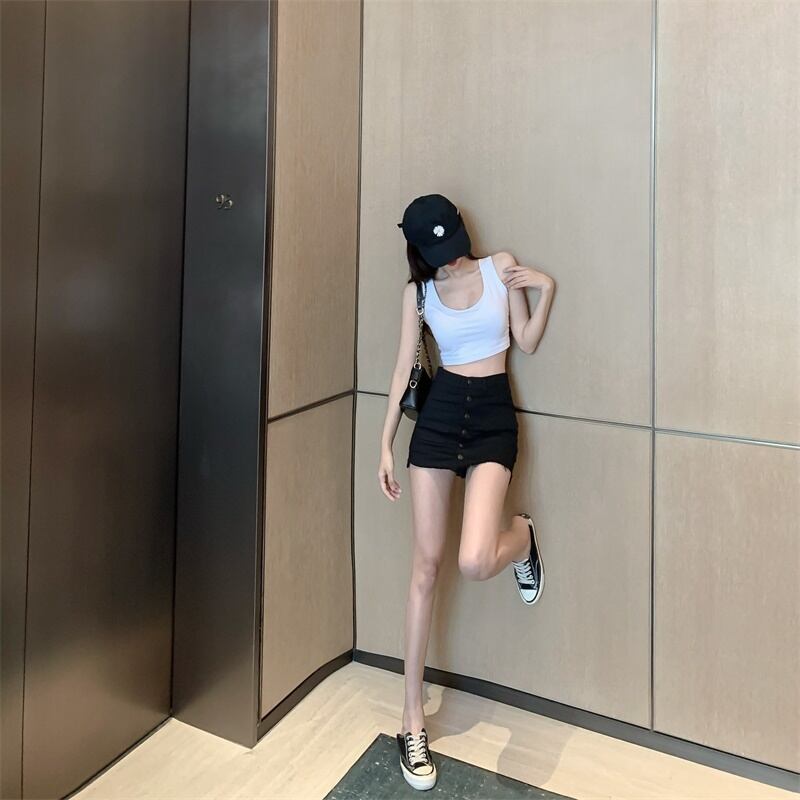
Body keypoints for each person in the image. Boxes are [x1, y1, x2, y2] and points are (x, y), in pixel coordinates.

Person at [378, 193, 556, 790]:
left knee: (475, 560)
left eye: (455, 246)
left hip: (492, 420)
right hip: (438, 420)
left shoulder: (498, 266)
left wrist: (546, 288)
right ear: (420, 251)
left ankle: (522, 537)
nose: (451, 260)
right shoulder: (418, 294)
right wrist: (385, 443)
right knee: (425, 568)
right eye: (440, 254)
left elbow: (525, 341)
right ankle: (411, 720)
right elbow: (402, 368)